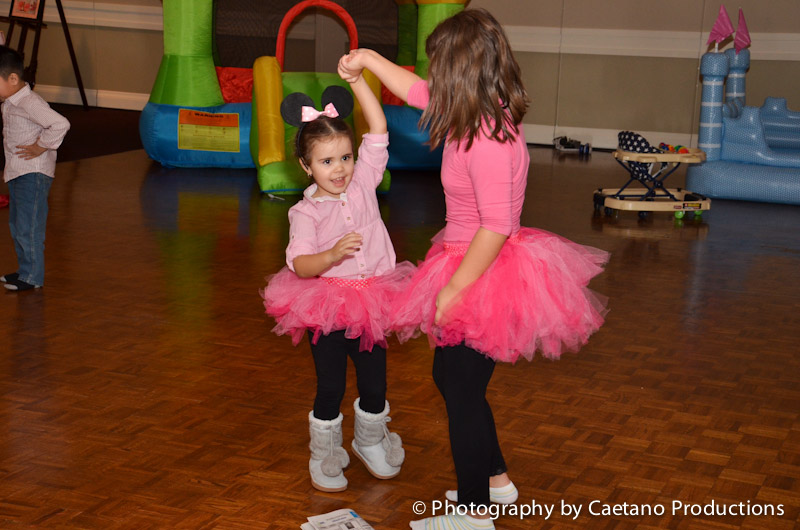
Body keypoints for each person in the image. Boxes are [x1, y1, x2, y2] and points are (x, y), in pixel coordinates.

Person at [339, 8, 608, 530]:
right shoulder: (478, 111)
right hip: (467, 257)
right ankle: (495, 482)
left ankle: (472, 513)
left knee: (460, 387)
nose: (431, 77)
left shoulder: (489, 139)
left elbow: (498, 225)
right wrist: (367, 60)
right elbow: (415, 91)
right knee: (454, 378)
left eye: (438, 67)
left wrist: (455, 289)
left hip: (484, 269)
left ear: (459, 72)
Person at [261, 65, 413, 493]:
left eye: (345, 157)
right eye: (327, 162)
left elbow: (378, 128)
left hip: (373, 302)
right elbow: (300, 265)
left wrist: (357, 81)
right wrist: (330, 255)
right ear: (306, 166)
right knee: (330, 385)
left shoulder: (364, 183)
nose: (340, 169)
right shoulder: (304, 212)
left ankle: (369, 440)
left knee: (375, 382)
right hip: (327, 307)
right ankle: (324, 452)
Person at [0, 46, 70, 292]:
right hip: (19, 172)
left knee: (29, 227)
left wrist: (41, 147)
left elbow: (60, 124)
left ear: (13, 78)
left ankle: (31, 277)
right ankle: (24, 270)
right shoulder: (10, 102)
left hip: (33, 175)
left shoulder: (29, 102)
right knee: (17, 225)